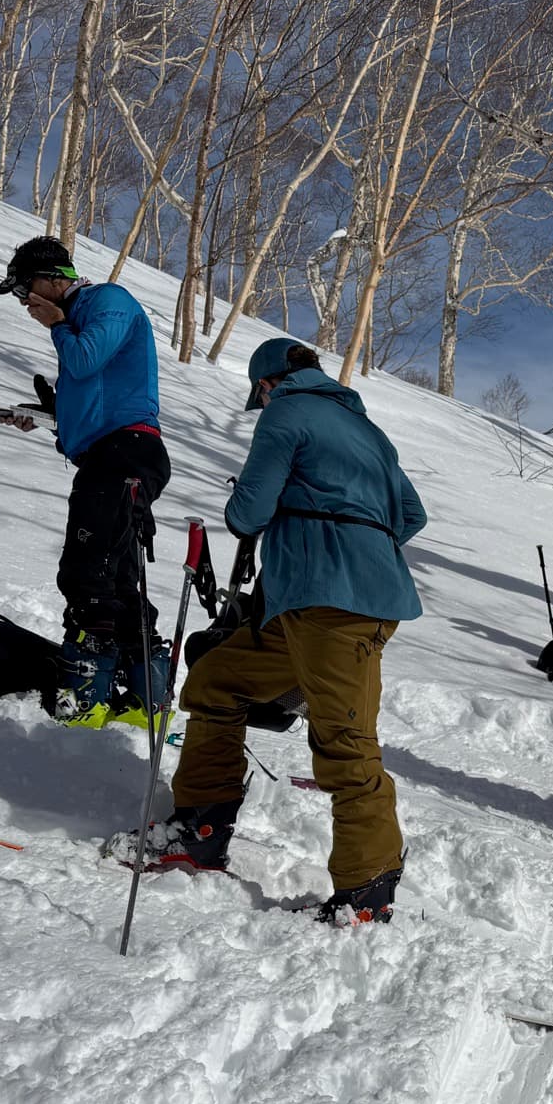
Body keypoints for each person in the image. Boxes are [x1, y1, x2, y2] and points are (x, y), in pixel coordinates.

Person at [125, 339, 426, 926]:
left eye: (258, 398)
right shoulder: (369, 432)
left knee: (345, 740)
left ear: (268, 385)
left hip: (330, 606)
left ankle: (366, 893)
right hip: (326, 603)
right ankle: (200, 828)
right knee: (217, 678)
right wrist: (359, 544)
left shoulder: (286, 411)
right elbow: (411, 516)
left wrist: (292, 519)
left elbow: (247, 514)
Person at [0, 235, 170, 728]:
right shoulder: (80, 319)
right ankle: (144, 701)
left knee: (85, 572)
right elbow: (95, 388)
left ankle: (87, 696)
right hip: (111, 453)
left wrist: (57, 325)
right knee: (115, 578)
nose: (25, 300)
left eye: (26, 288)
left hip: (125, 452)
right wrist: (50, 416)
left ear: (54, 277)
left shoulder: (107, 301)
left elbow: (86, 359)